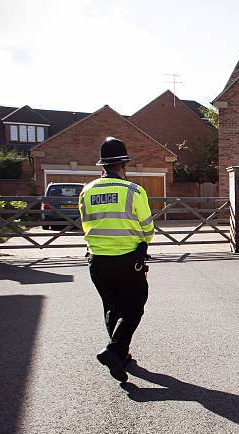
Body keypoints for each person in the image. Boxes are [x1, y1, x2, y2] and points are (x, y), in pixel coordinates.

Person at [79, 137, 154, 382]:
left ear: (103, 165)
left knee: (112, 307)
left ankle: (121, 356)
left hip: (97, 260)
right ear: (123, 164)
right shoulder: (133, 191)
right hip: (127, 259)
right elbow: (147, 227)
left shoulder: (87, 191)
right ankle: (113, 350)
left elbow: (85, 224)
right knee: (135, 306)